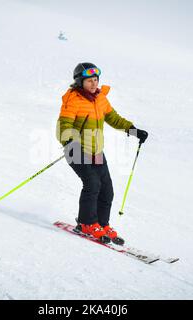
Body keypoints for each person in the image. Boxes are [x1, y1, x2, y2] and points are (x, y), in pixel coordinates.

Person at [56, 62, 148, 244]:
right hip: (76, 149)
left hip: (96, 151)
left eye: (96, 80)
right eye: (89, 80)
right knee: (92, 183)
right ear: (80, 82)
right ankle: (86, 223)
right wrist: (69, 141)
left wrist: (133, 130)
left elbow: (113, 118)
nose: (94, 84)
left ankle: (102, 224)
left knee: (107, 189)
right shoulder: (73, 99)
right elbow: (64, 125)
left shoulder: (100, 99)